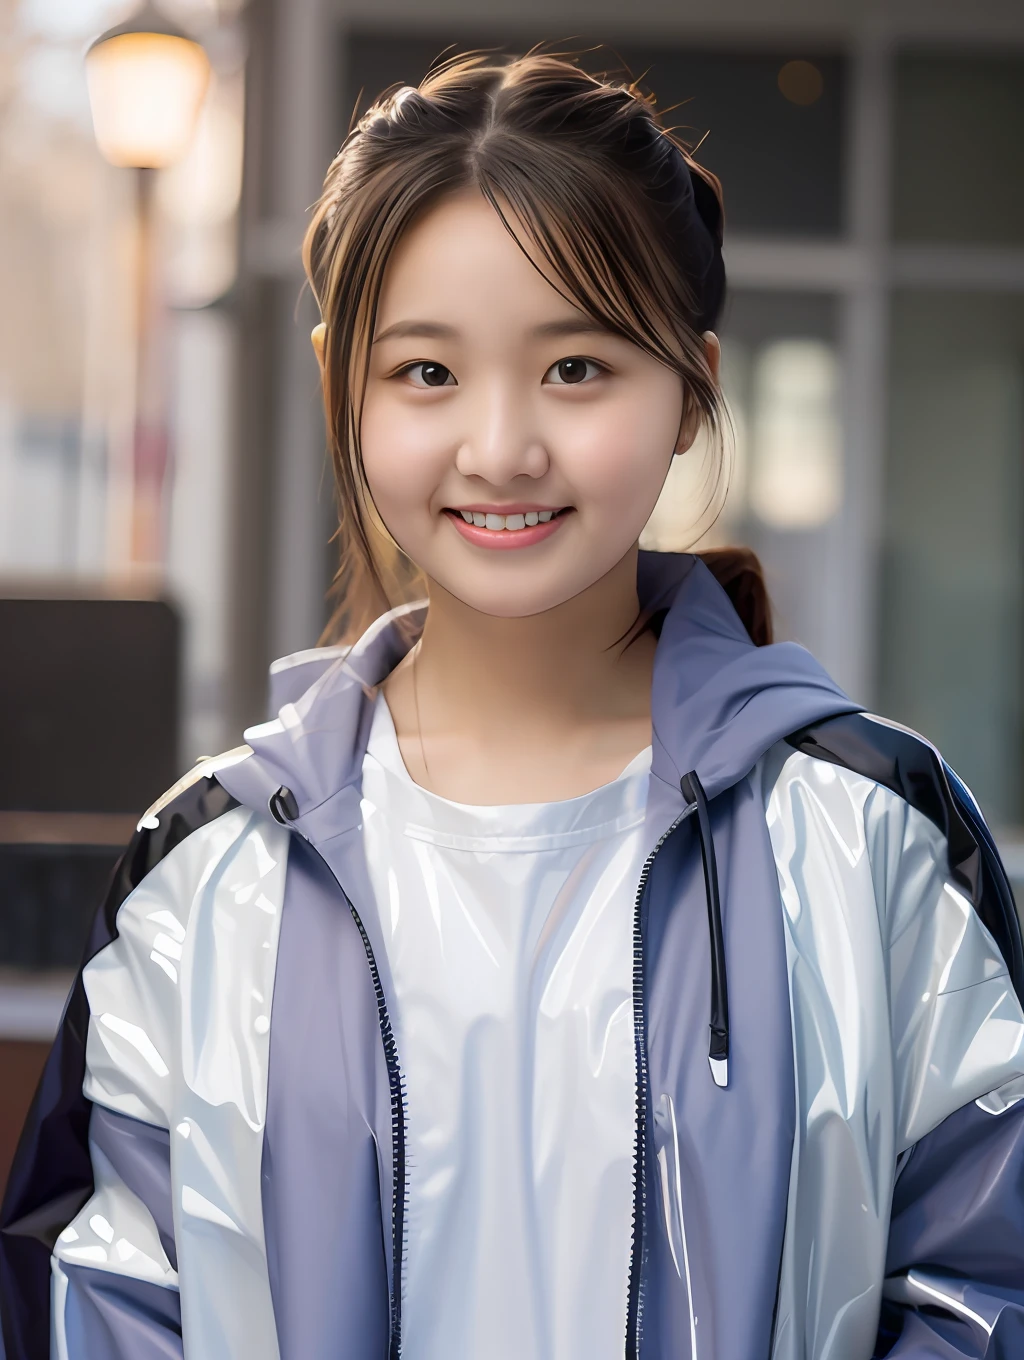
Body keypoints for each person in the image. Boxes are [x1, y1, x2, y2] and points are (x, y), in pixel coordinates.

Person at [2, 50, 1023, 1360]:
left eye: (578, 369)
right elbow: (102, 1314)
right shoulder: (211, 879)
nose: (500, 447)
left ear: (693, 383)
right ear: (340, 382)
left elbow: (981, 1293)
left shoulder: (869, 839)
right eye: (426, 373)